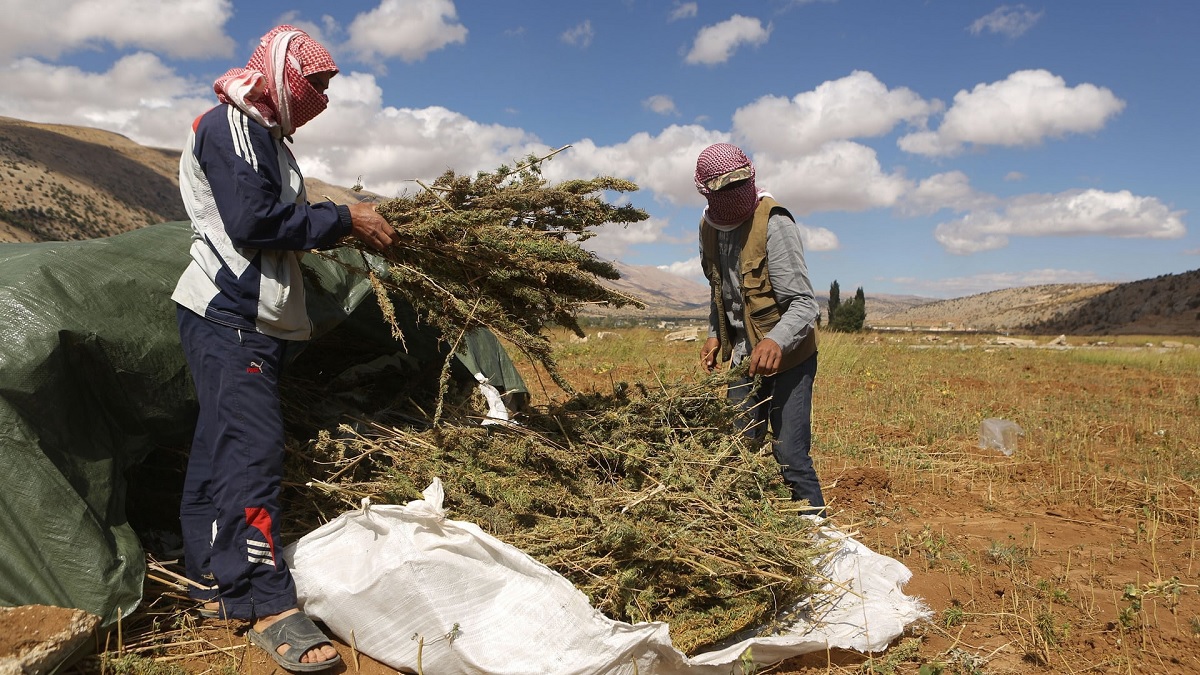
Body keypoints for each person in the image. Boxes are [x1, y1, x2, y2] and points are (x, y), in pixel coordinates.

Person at [171, 25, 398, 672]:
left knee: (221, 444)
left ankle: (213, 583)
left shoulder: (265, 133)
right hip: (229, 314)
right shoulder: (234, 125)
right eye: (315, 84)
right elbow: (253, 221)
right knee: (254, 451)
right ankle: (267, 604)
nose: (321, 98)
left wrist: (338, 219)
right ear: (279, 74)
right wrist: (345, 219)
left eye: (327, 88)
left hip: (242, 318)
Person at [695, 143, 825, 516]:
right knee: (736, 448)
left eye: (740, 186)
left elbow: (804, 304)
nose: (735, 196)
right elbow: (720, 290)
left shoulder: (774, 222)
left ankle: (818, 537)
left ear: (750, 178)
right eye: (725, 190)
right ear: (707, 192)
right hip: (743, 357)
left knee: (790, 453)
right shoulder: (709, 229)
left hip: (790, 357)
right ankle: (745, 533)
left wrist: (774, 340)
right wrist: (715, 333)